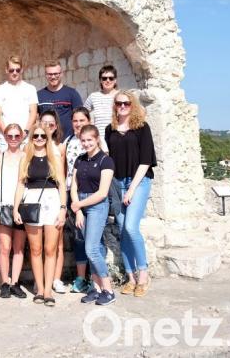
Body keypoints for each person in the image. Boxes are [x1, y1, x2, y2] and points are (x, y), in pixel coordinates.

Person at [106, 91, 156, 297]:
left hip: (139, 181)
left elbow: (146, 161)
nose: (122, 106)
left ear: (132, 105)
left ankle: (143, 274)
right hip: (117, 183)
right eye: (119, 103)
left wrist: (132, 189)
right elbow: (108, 158)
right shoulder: (110, 129)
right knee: (122, 229)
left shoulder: (142, 128)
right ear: (115, 106)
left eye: (126, 103)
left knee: (130, 227)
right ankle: (130, 276)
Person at [13, 123, 67, 307]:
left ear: (47, 138)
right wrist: (15, 208)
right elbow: (21, 184)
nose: (38, 139)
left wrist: (62, 208)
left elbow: (61, 184)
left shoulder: (54, 158)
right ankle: (41, 289)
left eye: (42, 136)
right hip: (31, 202)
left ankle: (49, 291)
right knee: (35, 249)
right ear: (31, 138)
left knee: (50, 249)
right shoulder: (25, 158)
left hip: (51, 201)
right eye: (35, 136)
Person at [63, 107, 108, 294]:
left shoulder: (100, 148)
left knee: (95, 243)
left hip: (93, 198)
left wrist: (79, 204)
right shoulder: (68, 142)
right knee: (80, 240)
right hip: (74, 196)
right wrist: (75, 205)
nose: (78, 123)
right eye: (75, 120)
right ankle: (86, 281)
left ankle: (101, 283)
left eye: (82, 120)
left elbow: (103, 173)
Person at [70, 125, 116, 306]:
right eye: (83, 140)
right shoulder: (80, 160)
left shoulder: (106, 161)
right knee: (93, 247)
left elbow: (103, 192)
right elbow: (74, 186)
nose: (86, 143)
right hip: (81, 205)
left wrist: (79, 205)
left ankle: (109, 290)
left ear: (97, 139)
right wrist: (78, 211)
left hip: (97, 206)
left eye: (90, 139)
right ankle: (96, 288)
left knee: (92, 249)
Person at [0, 123, 27, 299]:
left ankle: (15, 282)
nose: (13, 139)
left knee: (19, 248)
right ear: (4, 137)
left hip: (21, 206)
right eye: (10, 136)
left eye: (16, 136)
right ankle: (5, 281)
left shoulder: (26, 157)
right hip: (3, 205)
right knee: (5, 247)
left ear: (21, 137)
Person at [40, 109, 67, 294]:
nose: (48, 127)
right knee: (39, 243)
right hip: (39, 197)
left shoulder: (60, 147)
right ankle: (42, 279)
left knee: (57, 243)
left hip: (56, 195)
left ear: (55, 126)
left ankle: (56, 278)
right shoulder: (34, 145)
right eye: (44, 123)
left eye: (51, 124)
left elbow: (62, 174)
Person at [0, 56, 38, 152]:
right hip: (5, 138)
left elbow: (33, 113)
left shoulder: (30, 89)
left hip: (25, 138)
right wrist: (6, 133)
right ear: (6, 70)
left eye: (17, 70)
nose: (14, 73)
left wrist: (25, 132)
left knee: (25, 166)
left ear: (22, 70)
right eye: (11, 70)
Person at [37, 61, 83, 137]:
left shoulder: (72, 93)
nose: (53, 77)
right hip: (46, 141)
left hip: (67, 140)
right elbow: (36, 120)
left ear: (61, 74)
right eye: (50, 74)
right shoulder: (39, 95)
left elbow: (81, 117)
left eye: (56, 74)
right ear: (45, 75)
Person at [84, 65, 119, 135]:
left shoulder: (121, 96)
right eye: (104, 78)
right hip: (99, 138)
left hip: (117, 136)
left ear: (115, 80)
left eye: (111, 78)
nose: (108, 80)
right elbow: (83, 114)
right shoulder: (93, 96)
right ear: (100, 80)